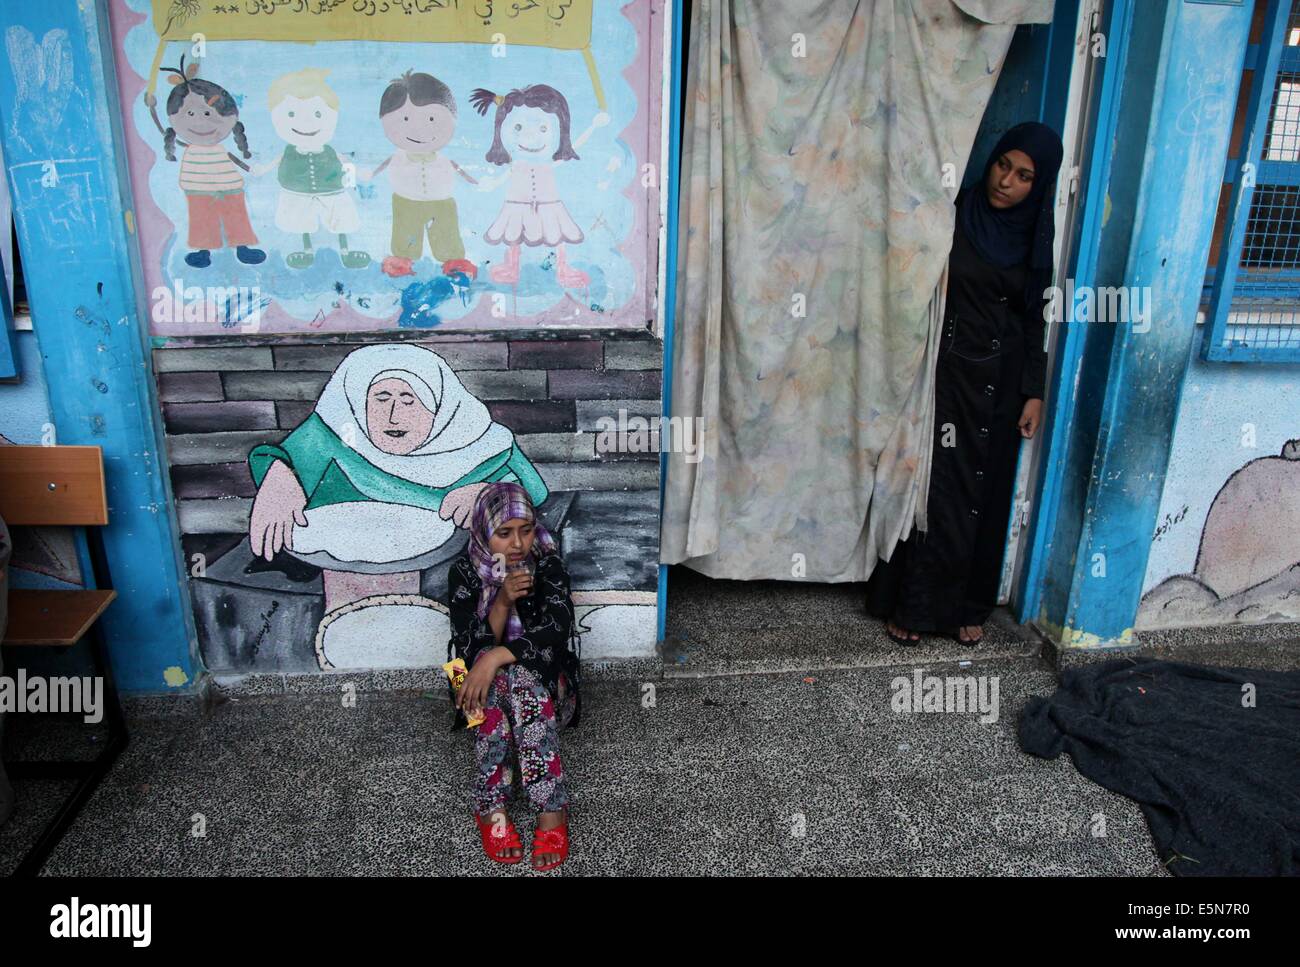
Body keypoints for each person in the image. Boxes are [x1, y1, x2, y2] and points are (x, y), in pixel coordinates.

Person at [867, 122, 1063, 645]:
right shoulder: (953, 217)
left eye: (1024, 177)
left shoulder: (1034, 240)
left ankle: (967, 606)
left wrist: (1035, 390)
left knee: (986, 491)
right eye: (1004, 165)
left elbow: (1033, 319)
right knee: (932, 487)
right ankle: (911, 604)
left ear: (1038, 187)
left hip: (1001, 385)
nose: (1007, 182)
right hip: (945, 371)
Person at [447, 482, 581, 871]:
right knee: (488, 700)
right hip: (470, 678)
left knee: (521, 685)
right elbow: (469, 648)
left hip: (543, 681)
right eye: (504, 533)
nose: (518, 543)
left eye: (525, 529)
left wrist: (496, 659)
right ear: (484, 531)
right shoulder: (464, 572)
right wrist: (502, 599)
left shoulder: (548, 564)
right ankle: (494, 807)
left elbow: (555, 632)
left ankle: (546, 809)